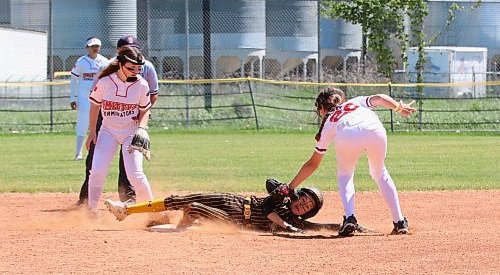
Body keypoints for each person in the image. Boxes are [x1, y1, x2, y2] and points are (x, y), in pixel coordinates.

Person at [286, 88, 416, 236]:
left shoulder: (329, 122)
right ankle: (400, 222)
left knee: (345, 175)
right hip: (375, 131)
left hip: (347, 135)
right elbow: (379, 98)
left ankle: (349, 218)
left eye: (319, 109)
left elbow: (312, 164)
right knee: (379, 173)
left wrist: (290, 187)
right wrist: (398, 108)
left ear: (322, 108)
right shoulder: (355, 102)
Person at [105, 178, 367, 233]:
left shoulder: (297, 222)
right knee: (178, 200)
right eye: (304, 198)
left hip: (236, 220)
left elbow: (321, 226)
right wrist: (282, 191)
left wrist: (349, 223)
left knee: (193, 207)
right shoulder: (284, 199)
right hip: (234, 200)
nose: (303, 205)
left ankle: (184, 223)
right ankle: (126, 211)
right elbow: (269, 184)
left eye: (308, 206)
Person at [76, 35, 159, 205]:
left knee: (135, 174)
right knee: (97, 171)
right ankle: (91, 212)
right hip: (108, 131)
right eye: (131, 68)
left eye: (138, 68)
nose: (135, 72)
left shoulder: (142, 84)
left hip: (131, 131)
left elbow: (145, 110)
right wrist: (92, 132)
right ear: (120, 64)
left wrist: (142, 129)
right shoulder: (106, 81)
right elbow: (94, 106)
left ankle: (152, 211)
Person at [69, 37, 109, 161]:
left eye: (97, 46)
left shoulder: (104, 62)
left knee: (100, 123)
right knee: (83, 122)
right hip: (84, 95)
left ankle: (99, 151)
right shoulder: (81, 62)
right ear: (87, 48)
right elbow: (74, 79)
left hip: (99, 95)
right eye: (92, 46)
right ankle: (78, 152)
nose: (95, 48)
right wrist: (72, 98)